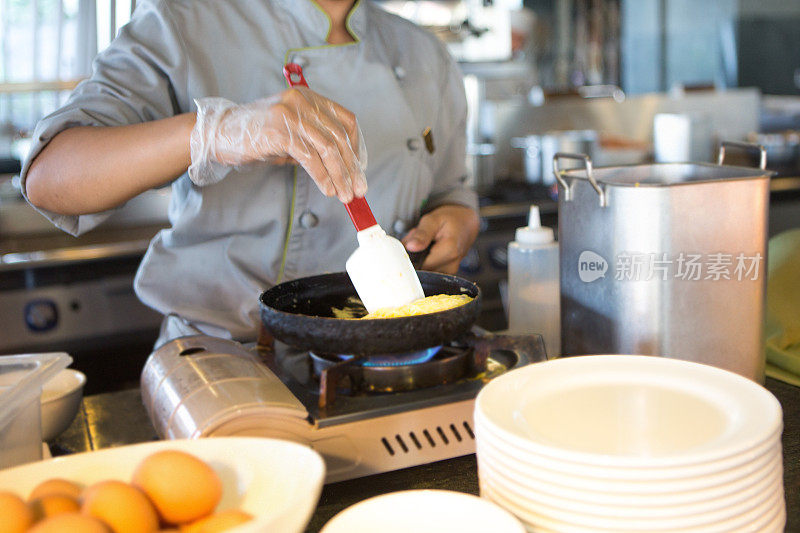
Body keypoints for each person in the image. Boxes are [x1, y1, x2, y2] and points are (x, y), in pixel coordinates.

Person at [22, 0, 480, 346]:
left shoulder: (424, 54)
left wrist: (457, 220)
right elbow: (50, 178)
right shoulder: (184, 22)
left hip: (385, 348)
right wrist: (215, 133)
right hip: (224, 355)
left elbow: (452, 191)